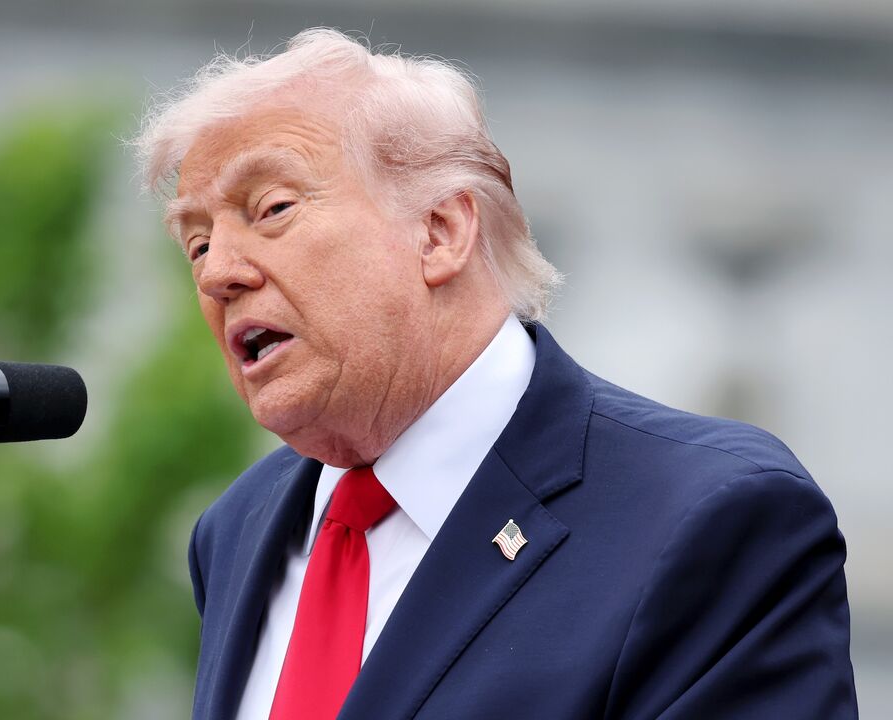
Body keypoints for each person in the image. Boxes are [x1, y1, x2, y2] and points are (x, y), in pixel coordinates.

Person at [132, 28, 857, 720]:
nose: (220, 272)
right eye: (196, 245)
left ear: (440, 232)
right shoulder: (238, 528)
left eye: (272, 208)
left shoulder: (711, 517)